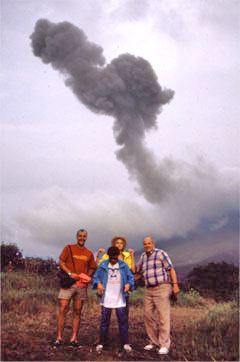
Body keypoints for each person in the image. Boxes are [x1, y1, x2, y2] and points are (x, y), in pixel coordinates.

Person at [136, 236, 180, 355]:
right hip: (148, 290)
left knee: (163, 316)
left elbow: (171, 269)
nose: (147, 245)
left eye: (149, 243)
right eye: (145, 244)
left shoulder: (161, 253)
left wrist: (175, 285)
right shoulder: (143, 257)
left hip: (162, 288)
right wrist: (129, 281)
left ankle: (164, 344)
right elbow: (138, 273)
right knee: (148, 315)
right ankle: (153, 342)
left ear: (153, 244)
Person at [53, 229, 97, 348]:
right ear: (77, 237)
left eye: (84, 236)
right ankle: (59, 338)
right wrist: (69, 273)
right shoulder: (68, 248)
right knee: (63, 309)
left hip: (81, 286)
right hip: (68, 283)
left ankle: (73, 339)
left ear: (86, 238)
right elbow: (61, 262)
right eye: (80, 236)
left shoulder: (89, 253)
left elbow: (93, 267)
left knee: (77, 311)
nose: (82, 238)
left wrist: (87, 276)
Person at [92, 246, 135, 353]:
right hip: (106, 298)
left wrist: (129, 285)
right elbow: (95, 277)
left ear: (118, 256)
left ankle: (125, 343)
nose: (113, 260)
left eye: (115, 258)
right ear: (109, 256)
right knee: (104, 321)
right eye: (111, 258)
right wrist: (98, 283)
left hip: (120, 298)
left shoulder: (123, 265)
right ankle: (102, 343)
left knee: (122, 321)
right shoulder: (103, 265)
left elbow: (131, 278)